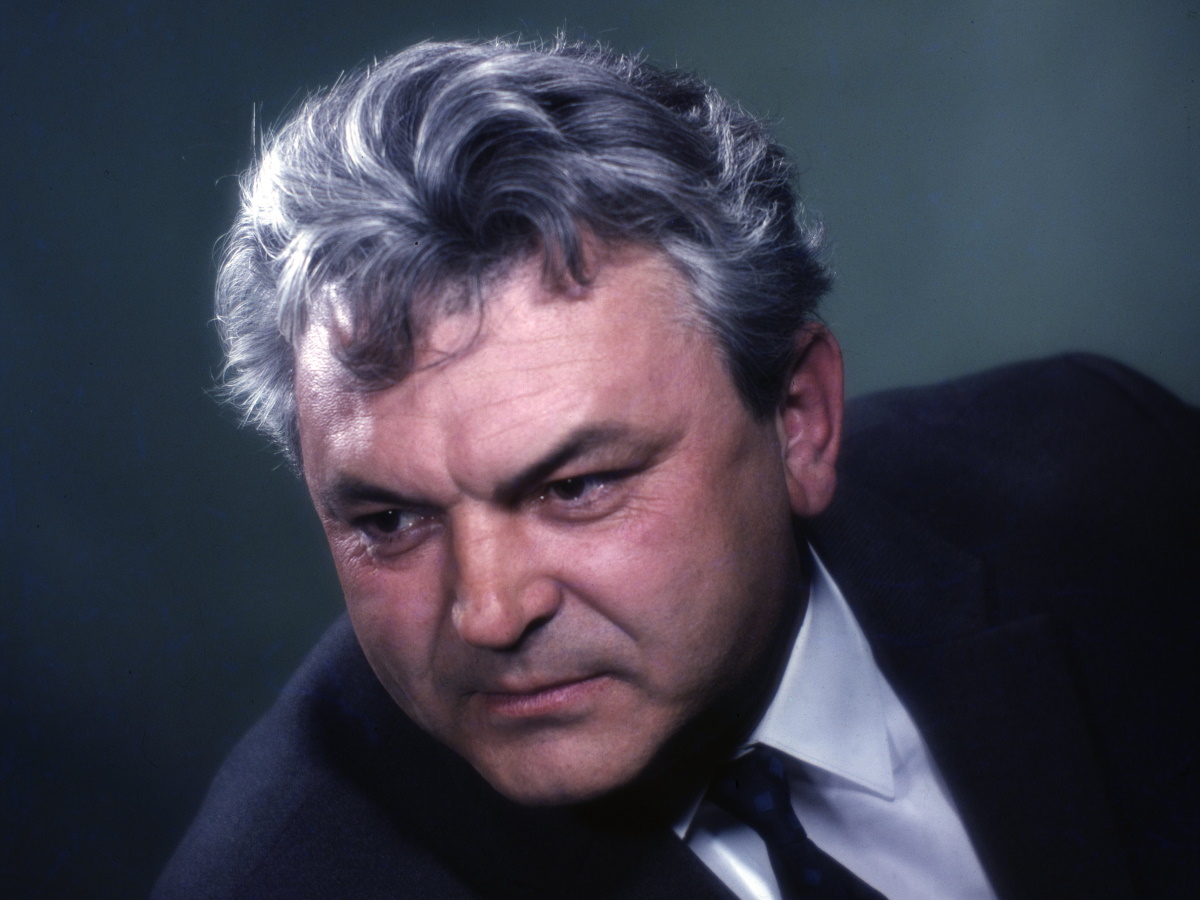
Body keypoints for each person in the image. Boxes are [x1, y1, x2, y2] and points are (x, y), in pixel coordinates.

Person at [155, 38, 1198, 899]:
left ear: (798, 423)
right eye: (388, 521)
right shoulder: (279, 879)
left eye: (576, 487)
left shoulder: (1121, 478)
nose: (489, 612)